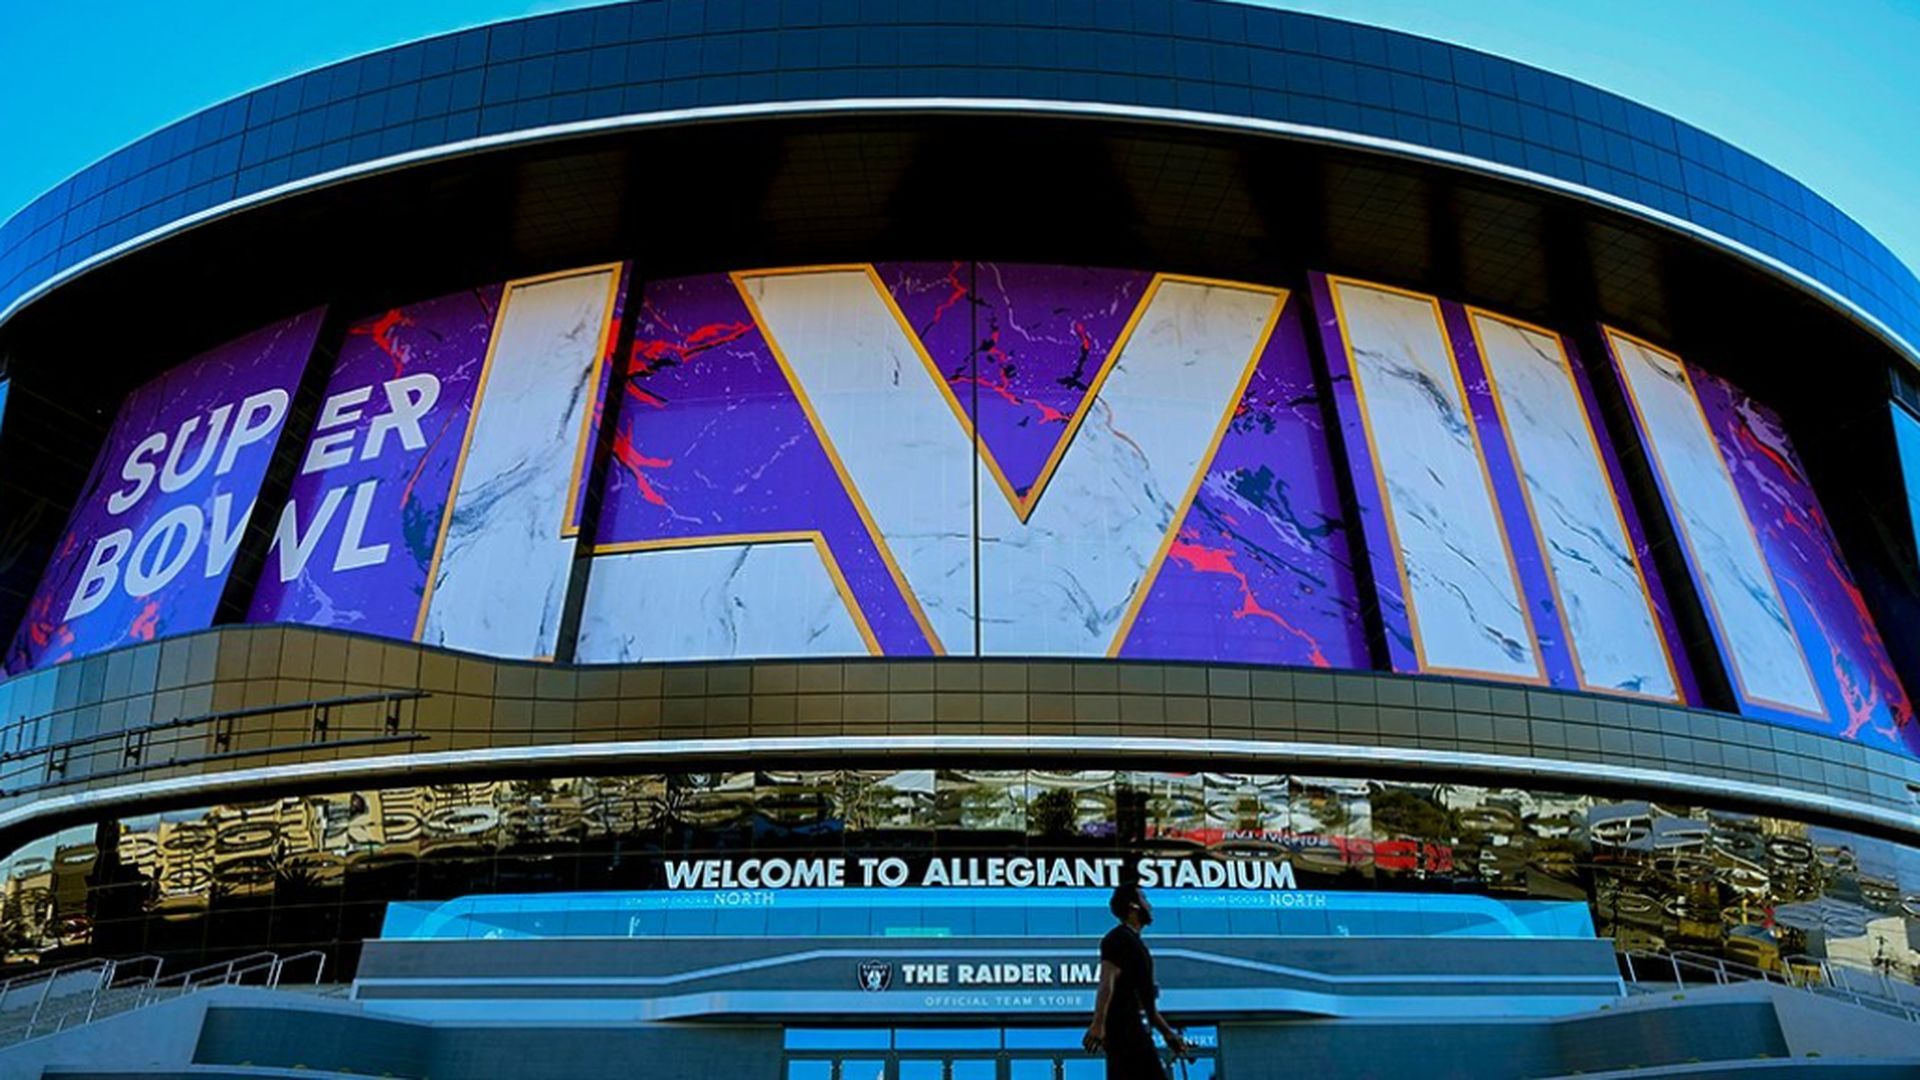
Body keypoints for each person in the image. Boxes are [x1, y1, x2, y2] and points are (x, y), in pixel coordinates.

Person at [1083, 883, 1189, 1079]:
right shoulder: (1118, 939)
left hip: (1136, 1033)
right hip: (1124, 1035)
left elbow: (1148, 1006)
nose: (1150, 905)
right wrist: (1098, 1024)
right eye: (1144, 899)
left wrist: (1168, 1034)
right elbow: (1106, 983)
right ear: (1134, 906)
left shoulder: (1137, 944)